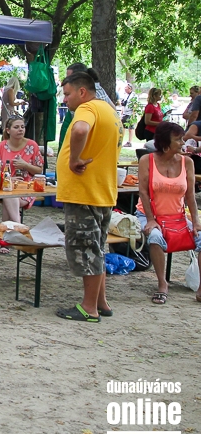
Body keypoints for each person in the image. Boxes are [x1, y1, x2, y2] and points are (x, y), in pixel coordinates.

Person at [55, 71, 121, 323]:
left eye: (67, 94)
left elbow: (80, 129)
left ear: (82, 92)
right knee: (97, 248)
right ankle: (101, 302)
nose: (65, 99)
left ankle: (89, 308)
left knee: (85, 250)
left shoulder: (88, 108)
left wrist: (74, 159)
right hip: (101, 191)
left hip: (84, 193)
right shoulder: (109, 110)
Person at [136, 122, 201, 305]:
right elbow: (143, 192)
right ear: (165, 143)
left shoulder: (187, 162)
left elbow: (190, 195)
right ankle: (162, 284)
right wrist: (150, 220)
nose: (183, 142)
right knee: (155, 237)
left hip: (177, 217)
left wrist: (196, 221)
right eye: (178, 139)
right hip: (149, 214)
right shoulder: (147, 160)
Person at [0, 116, 44, 232]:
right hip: (5, 185)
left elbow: (39, 170)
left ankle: (10, 232)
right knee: (8, 193)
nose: (20, 129)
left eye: (22, 127)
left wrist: (25, 165)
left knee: (9, 197)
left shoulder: (32, 145)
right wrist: (8, 178)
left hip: (26, 186)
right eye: (16, 127)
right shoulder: (1, 147)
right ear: (8, 130)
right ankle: (17, 229)